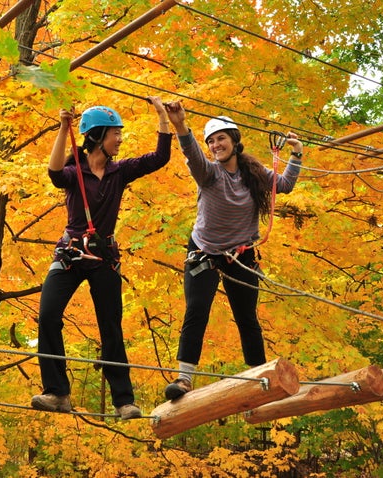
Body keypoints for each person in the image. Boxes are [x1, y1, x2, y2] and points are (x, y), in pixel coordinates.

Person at [31, 98, 173, 419]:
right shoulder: (74, 171)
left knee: (111, 326)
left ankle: (124, 400)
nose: (120, 139)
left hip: (103, 256)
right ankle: (57, 392)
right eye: (115, 134)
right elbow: (54, 172)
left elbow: (160, 157)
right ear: (97, 136)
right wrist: (63, 128)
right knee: (48, 315)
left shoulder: (119, 172)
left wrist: (162, 117)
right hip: (70, 253)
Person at [162, 103, 303, 400]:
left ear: (235, 141)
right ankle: (185, 378)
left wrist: (297, 153)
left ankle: (260, 377)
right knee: (197, 310)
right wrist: (180, 126)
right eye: (211, 141)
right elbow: (192, 153)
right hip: (205, 253)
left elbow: (285, 185)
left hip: (241, 255)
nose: (215, 145)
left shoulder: (253, 172)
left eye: (221, 139)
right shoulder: (208, 173)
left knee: (247, 317)